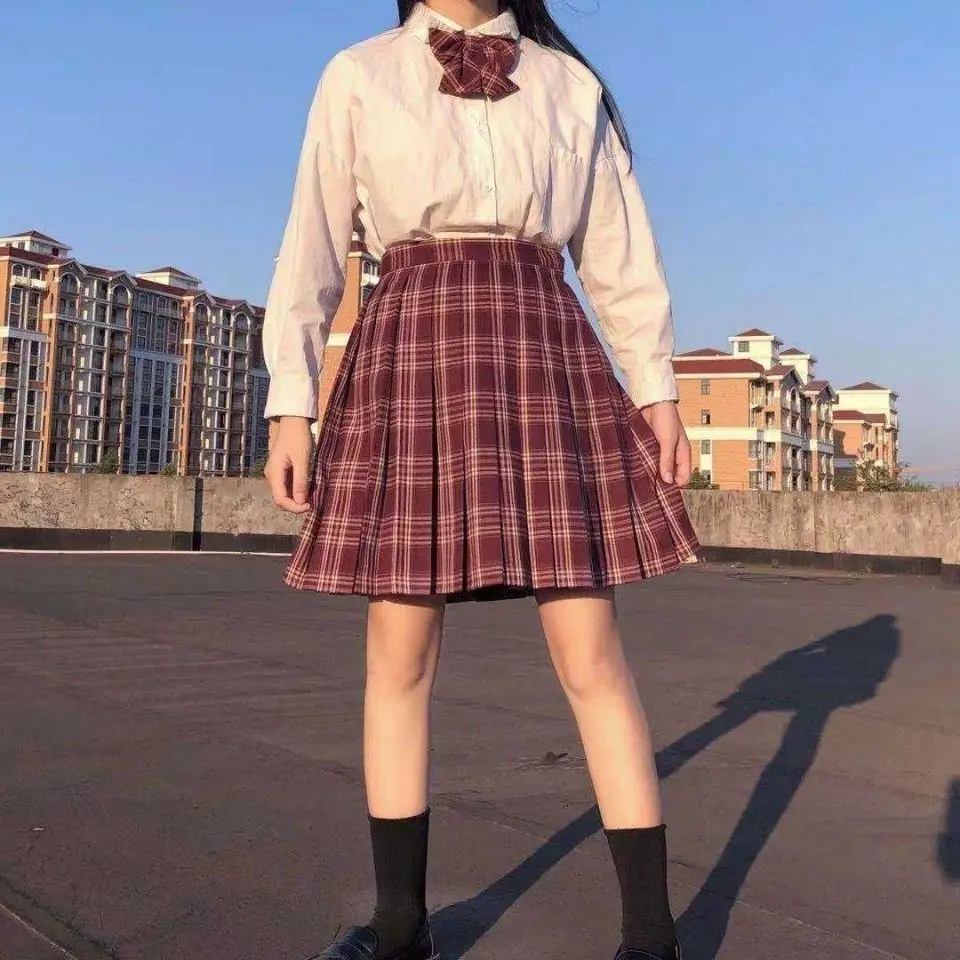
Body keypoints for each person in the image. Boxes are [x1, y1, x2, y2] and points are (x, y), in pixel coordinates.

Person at [262, 1, 700, 958]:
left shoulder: (568, 83)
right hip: (411, 344)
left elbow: (619, 252)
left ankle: (651, 939)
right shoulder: (358, 73)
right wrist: (290, 402)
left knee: (592, 652)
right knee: (398, 654)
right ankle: (400, 928)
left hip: (543, 346)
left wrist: (656, 389)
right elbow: (312, 242)